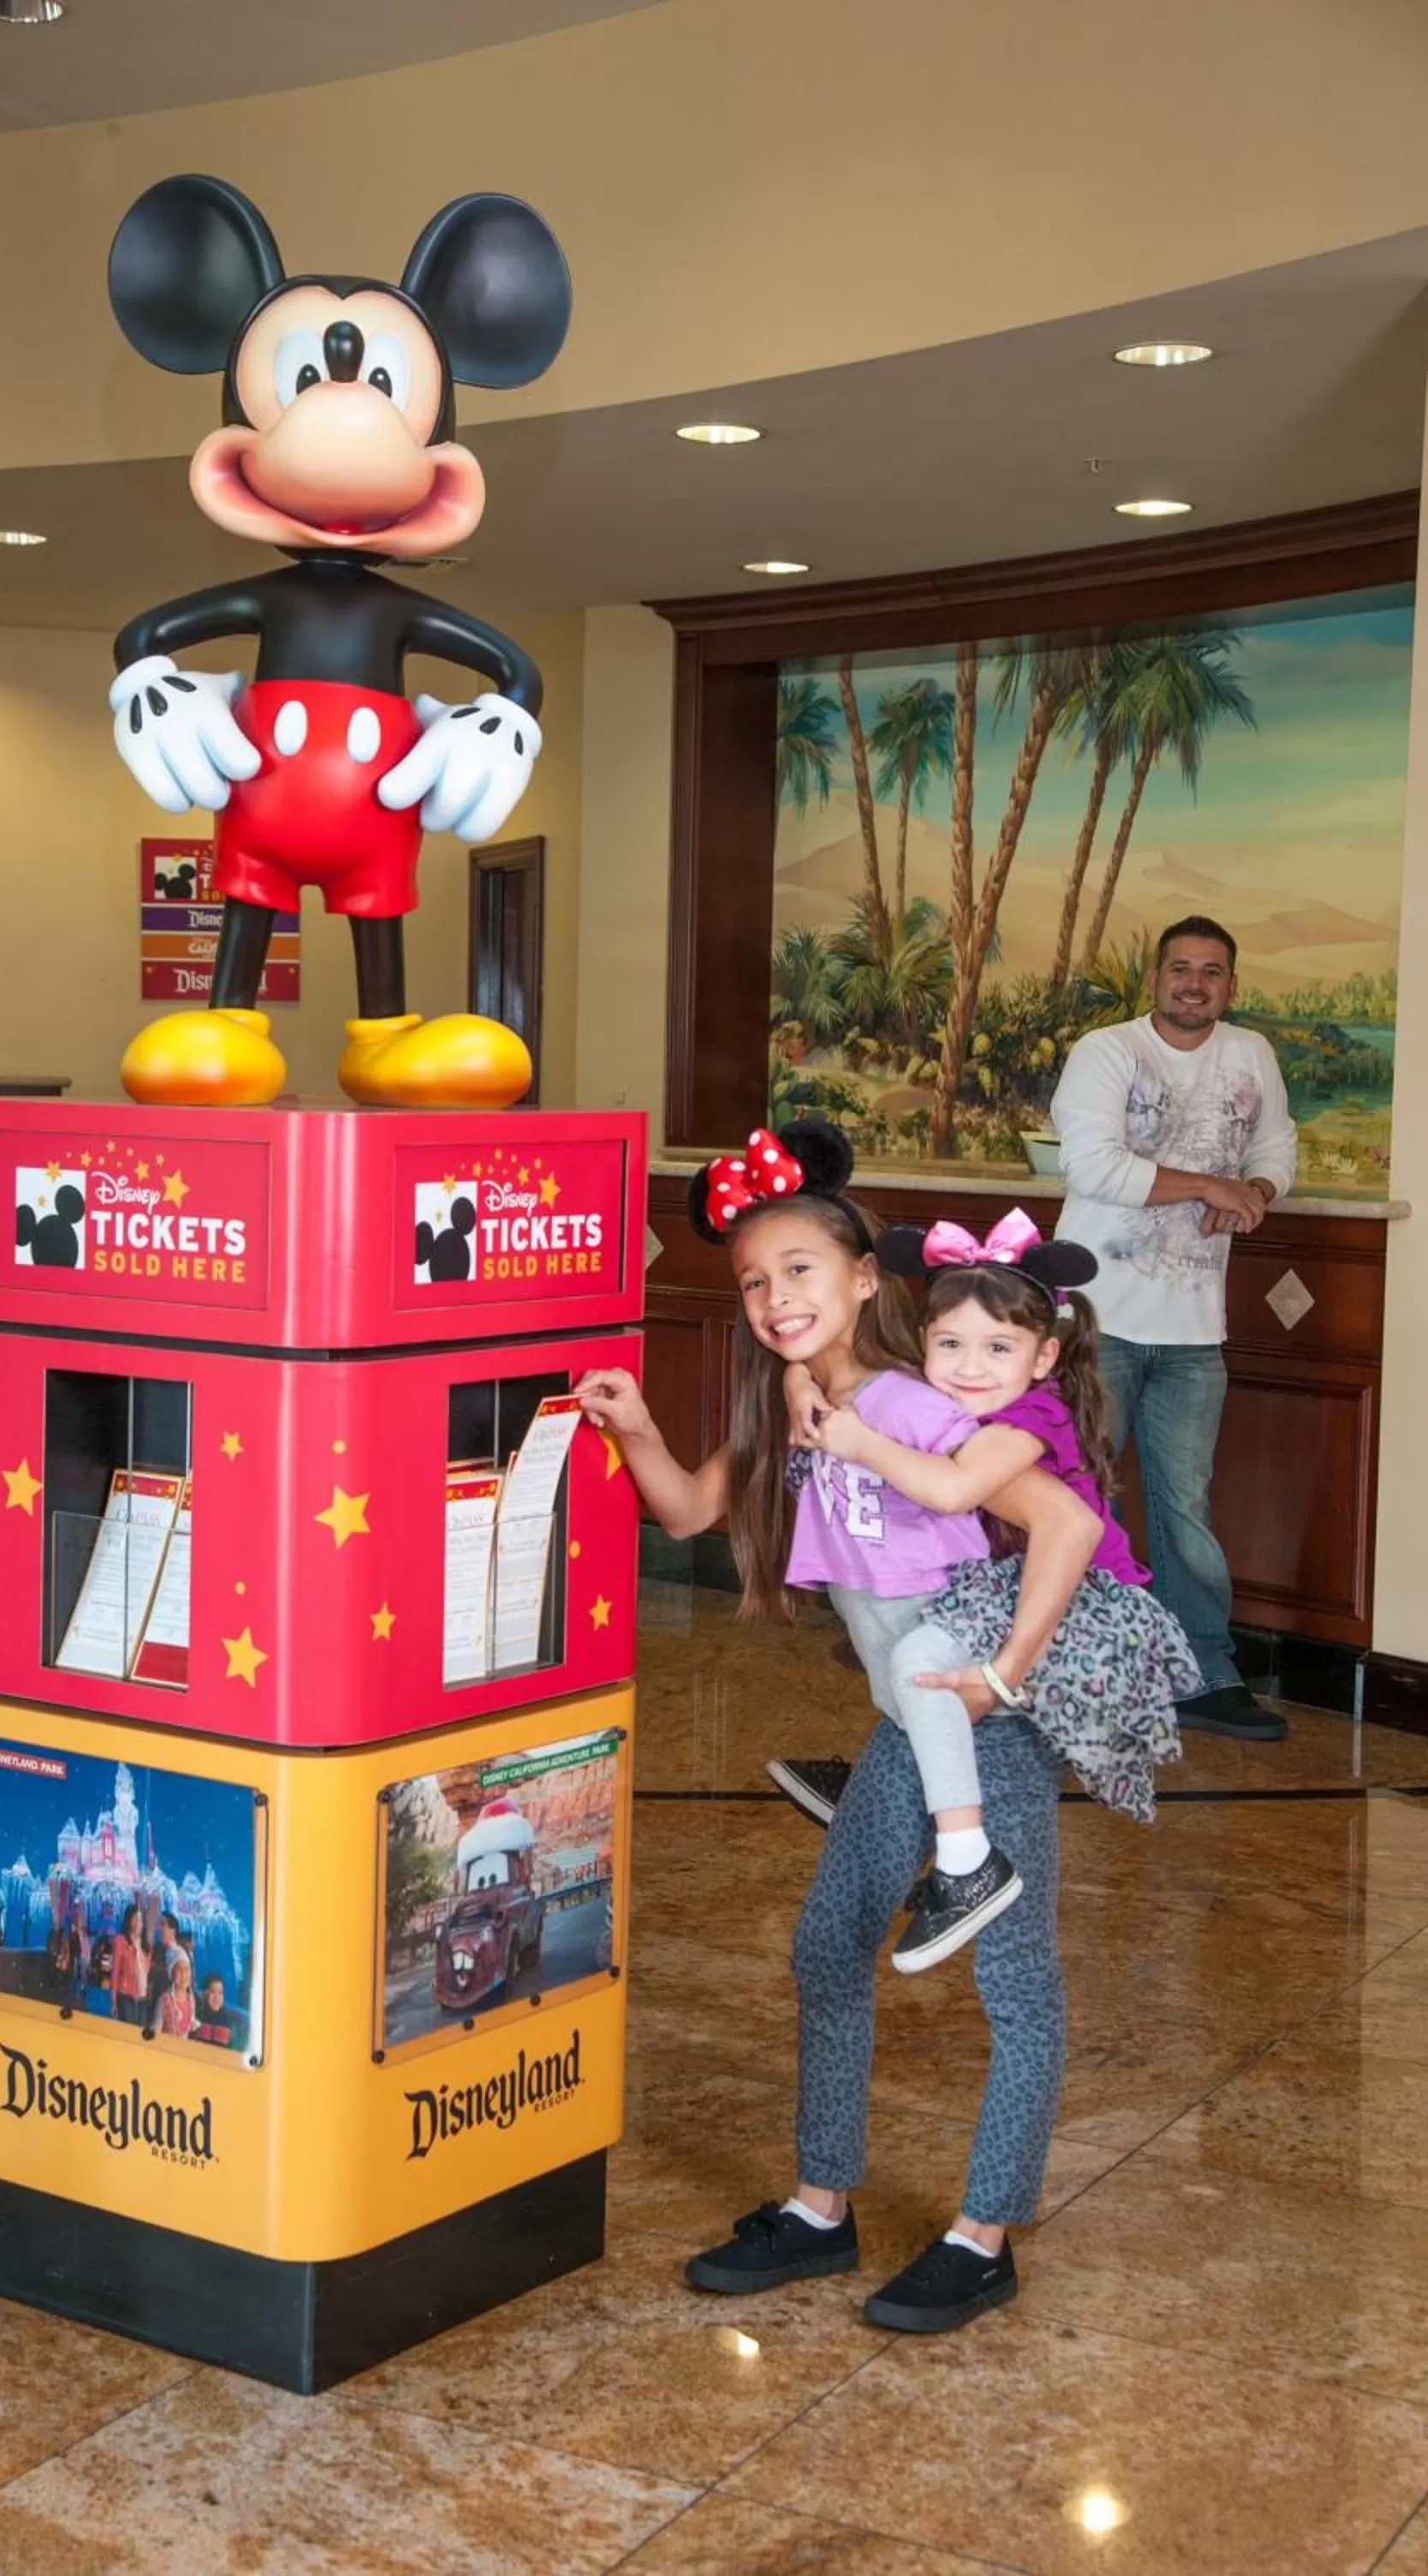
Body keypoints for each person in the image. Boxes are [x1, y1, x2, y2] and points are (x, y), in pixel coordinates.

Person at [576, 1117, 1102, 2334]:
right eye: (754, 1280)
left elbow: (1061, 1524)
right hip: (904, 1729)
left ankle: (987, 2235)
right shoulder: (790, 1396)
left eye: (799, 1269)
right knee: (829, 1948)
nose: (772, 1297)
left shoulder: (915, 1403)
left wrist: (1003, 1681)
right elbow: (690, 1513)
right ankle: (823, 2211)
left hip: (985, 1727)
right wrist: (633, 1424)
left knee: (1015, 1981)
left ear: (867, 1278)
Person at [774, 1211, 1195, 1952]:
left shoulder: (1026, 1419)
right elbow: (846, 1366)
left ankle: (968, 1865)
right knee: (893, 1657)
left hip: (1080, 1613)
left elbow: (952, 1492)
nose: (970, 1367)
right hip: (1009, 1585)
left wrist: (861, 1441)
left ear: (1044, 1357)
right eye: (951, 1345)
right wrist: (793, 1374)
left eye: (997, 1347)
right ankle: (885, 1802)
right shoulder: (957, 1398)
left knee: (917, 1665)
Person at [1050, 915, 1297, 1741]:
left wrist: (1256, 1188)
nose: (1195, 983)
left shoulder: (1250, 1054)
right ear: (1154, 979)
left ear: (1233, 985)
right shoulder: (1107, 1051)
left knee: (1185, 1507)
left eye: (1213, 972)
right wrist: (1213, 1189)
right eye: (1180, 968)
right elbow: (1094, 1167)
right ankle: (1066, 1665)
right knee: (1076, 1495)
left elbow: (1276, 1147)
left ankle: (1202, 1674)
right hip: (1094, 1322)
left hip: (1196, 1329)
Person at [110, 1905, 151, 2027]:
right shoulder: (121, 1941)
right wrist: (113, 2001)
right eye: (136, 1919)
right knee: (129, 2030)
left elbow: (146, 1973)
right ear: (129, 1921)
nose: (139, 1923)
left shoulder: (145, 1947)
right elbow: (115, 1971)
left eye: (141, 1920)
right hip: (126, 1995)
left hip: (142, 1997)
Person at [149, 1952, 197, 2039]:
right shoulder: (164, 2001)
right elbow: (156, 2032)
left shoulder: (191, 2000)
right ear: (172, 1973)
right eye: (179, 1969)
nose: (183, 1974)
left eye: (186, 1969)